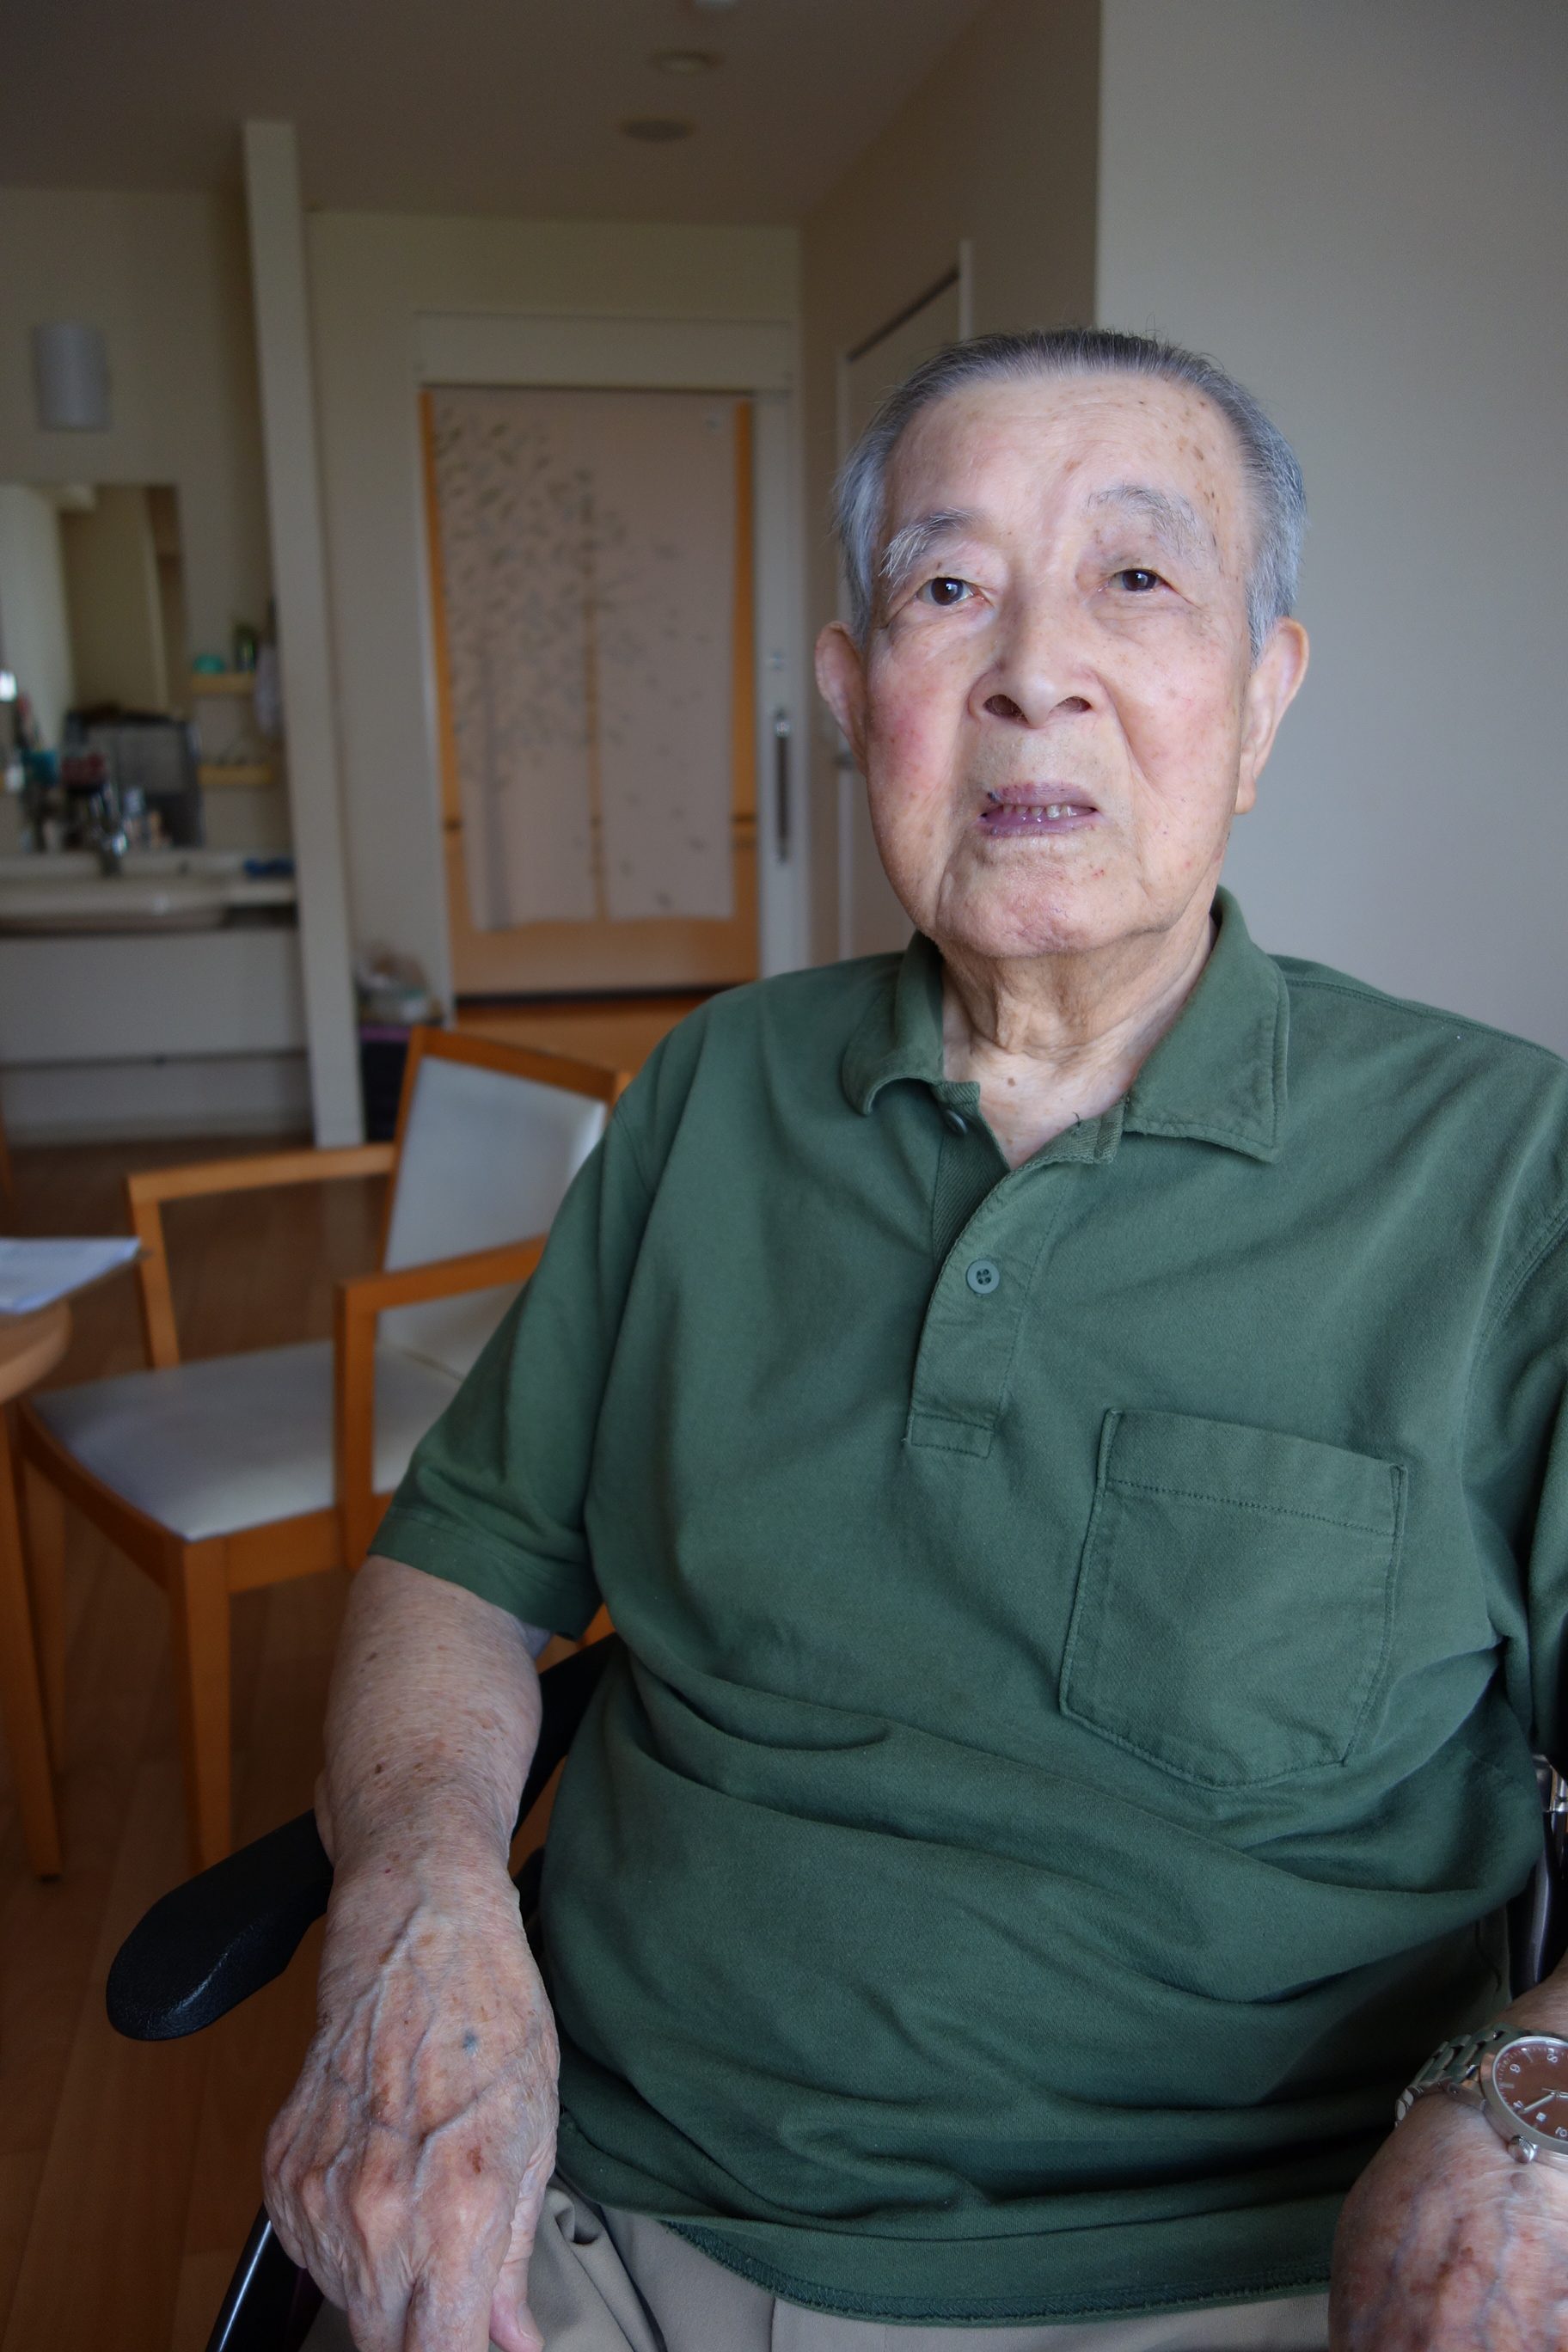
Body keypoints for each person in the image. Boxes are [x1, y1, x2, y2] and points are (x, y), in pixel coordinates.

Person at [268, 328, 1568, 2352]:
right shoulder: (714, 1093)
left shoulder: (1506, 1173)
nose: (1034, 670)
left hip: (1244, 2265)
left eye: (1136, 578)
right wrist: (424, 1895)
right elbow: (461, 1564)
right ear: (854, 690)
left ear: (1263, 699)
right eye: (947, 587)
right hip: (588, 2209)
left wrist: (1531, 2106)